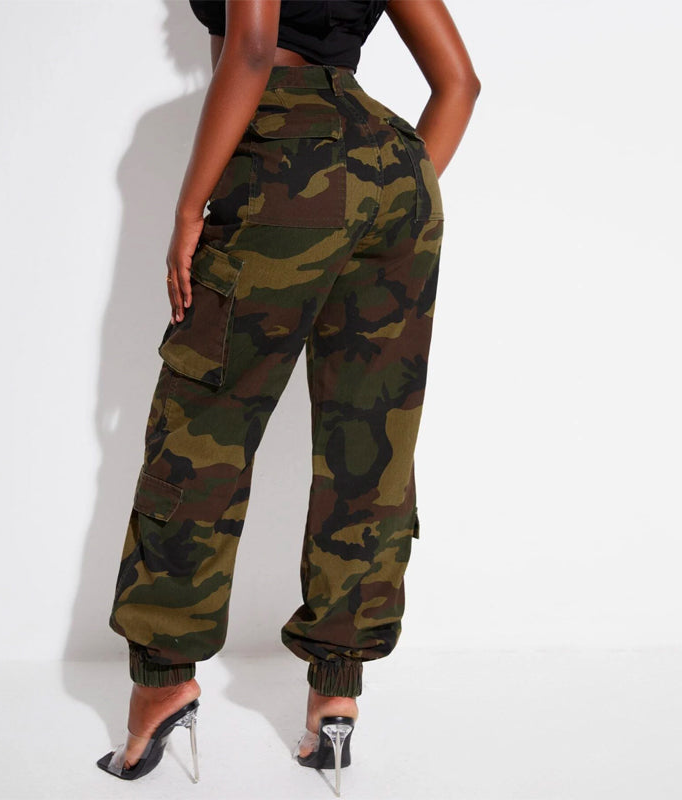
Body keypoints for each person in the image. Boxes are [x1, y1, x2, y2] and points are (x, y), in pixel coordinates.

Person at [97, 0, 480, 792]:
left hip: (284, 155)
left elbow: (251, 47)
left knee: (202, 431)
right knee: (369, 441)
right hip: (398, 176)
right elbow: (460, 84)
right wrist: (376, 201)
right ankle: (337, 693)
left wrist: (189, 208)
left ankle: (163, 682)